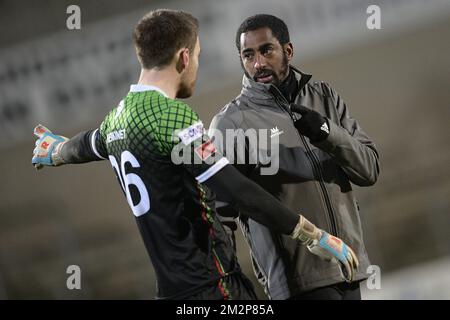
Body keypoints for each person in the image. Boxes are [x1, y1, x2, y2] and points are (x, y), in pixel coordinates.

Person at [31, 9, 358, 300]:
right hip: (214, 283)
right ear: (184, 57)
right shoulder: (172, 118)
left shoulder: (118, 119)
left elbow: (86, 145)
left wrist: (56, 151)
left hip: (170, 289)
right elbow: (237, 191)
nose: (196, 67)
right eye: (198, 56)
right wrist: (312, 235)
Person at [209, 14, 380, 300]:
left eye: (266, 50)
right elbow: (220, 212)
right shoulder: (232, 123)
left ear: (288, 50)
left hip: (348, 265)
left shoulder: (325, 97)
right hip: (297, 281)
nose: (258, 63)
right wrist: (224, 284)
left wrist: (327, 132)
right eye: (248, 55)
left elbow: (369, 170)